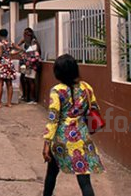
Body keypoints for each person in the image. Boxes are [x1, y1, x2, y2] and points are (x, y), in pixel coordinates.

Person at [42, 54, 105, 196]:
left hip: (61, 139)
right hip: (82, 137)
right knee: (85, 181)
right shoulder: (86, 87)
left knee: (52, 172)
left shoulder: (57, 90)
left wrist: (46, 143)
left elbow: (53, 119)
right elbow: (94, 108)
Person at [0, 29, 18, 108]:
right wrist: (17, 53)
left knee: (0, 84)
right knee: (9, 84)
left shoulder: (0, 44)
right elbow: (18, 49)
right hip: (9, 63)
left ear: (0, 35)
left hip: (2, 64)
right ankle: (9, 103)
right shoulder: (10, 43)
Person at [17, 27, 42, 104]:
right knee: (24, 79)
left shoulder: (33, 42)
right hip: (25, 64)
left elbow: (34, 53)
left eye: (26, 34)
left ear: (30, 34)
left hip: (31, 64)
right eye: (24, 34)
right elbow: (19, 47)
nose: (24, 35)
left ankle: (32, 98)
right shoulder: (25, 41)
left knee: (31, 80)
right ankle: (26, 96)